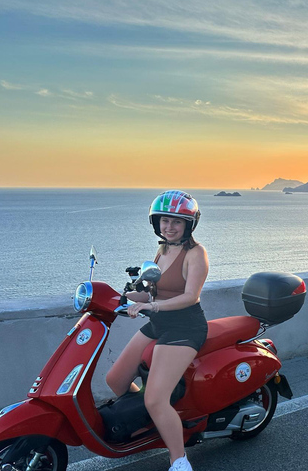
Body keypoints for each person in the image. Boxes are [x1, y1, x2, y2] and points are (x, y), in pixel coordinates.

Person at [106, 190, 209, 471]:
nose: (170, 227)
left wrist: (152, 307)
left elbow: (191, 296)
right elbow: (150, 293)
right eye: (165, 220)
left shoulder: (196, 253)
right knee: (116, 380)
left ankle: (179, 460)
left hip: (185, 327)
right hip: (159, 322)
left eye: (177, 222)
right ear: (157, 223)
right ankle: (151, 421)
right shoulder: (163, 250)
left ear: (189, 225)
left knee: (154, 398)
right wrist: (123, 299)